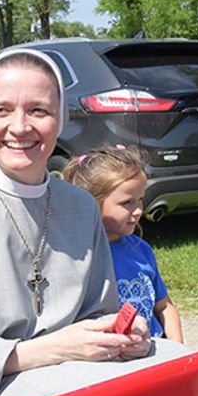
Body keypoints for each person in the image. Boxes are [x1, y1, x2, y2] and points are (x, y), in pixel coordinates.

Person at [0, 48, 188, 396]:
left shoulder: (81, 206)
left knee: (183, 369)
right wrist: (55, 348)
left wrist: (123, 332)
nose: (20, 126)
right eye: (2, 110)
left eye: (38, 110)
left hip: (81, 372)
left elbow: (99, 313)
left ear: (60, 119)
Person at [62, 146, 184, 342]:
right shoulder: (78, 257)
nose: (137, 211)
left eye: (140, 200)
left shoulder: (141, 250)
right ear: (91, 203)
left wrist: (179, 352)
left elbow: (164, 307)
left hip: (155, 352)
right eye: (127, 202)